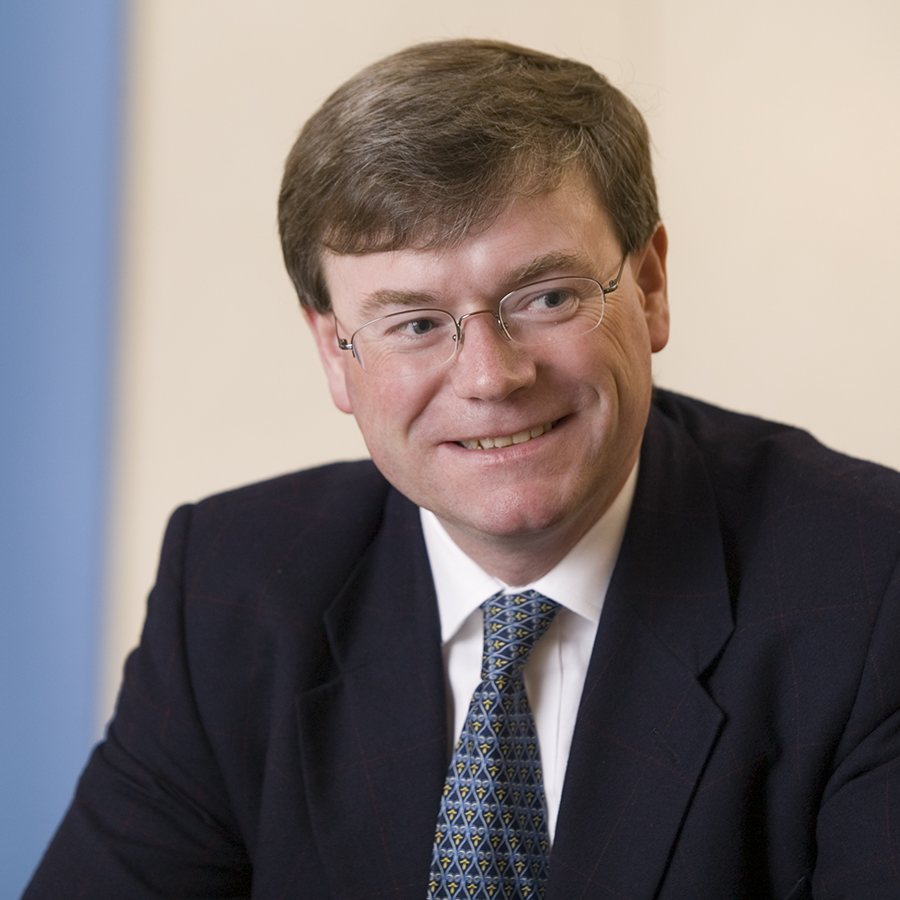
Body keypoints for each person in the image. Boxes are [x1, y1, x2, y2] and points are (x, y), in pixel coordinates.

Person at [26, 39, 900, 900]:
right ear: (333, 352)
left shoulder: (869, 584)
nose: (491, 377)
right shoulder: (232, 589)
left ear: (650, 285)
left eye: (546, 296)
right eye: (413, 322)